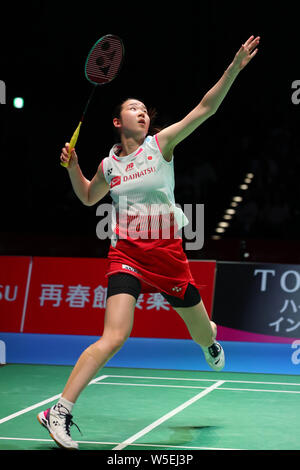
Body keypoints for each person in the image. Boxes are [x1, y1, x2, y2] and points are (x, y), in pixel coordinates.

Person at [38, 35, 260, 450]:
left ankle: (210, 338)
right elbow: (88, 196)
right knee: (115, 336)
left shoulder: (162, 146)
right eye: (133, 110)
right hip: (126, 254)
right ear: (117, 122)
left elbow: (205, 108)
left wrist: (233, 68)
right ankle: (60, 410)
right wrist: (75, 166)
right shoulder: (110, 164)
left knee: (201, 334)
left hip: (169, 256)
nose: (142, 113)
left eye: (144, 110)